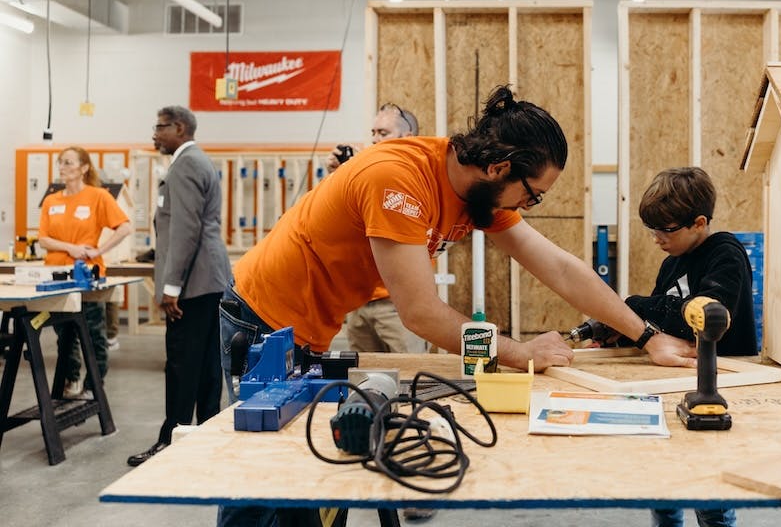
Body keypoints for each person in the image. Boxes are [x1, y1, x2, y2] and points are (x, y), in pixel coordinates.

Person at [217, 85, 696, 527]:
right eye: (532, 196)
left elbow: (560, 269)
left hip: (311, 327)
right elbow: (421, 314)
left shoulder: (477, 193)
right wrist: (518, 353)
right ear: (498, 167)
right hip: (261, 319)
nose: (528, 207)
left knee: (307, 479)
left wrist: (647, 337)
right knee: (261, 480)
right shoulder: (398, 179)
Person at [634, 167, 756, 527]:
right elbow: (659, 320)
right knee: (667, 479)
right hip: (676, 382)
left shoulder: (725, 253)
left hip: (724, 382)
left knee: (709, 488)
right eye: (652, 228)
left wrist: (636, 307)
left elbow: (710, 314)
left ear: (699, 222)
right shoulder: (671, 263)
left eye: (665, 228)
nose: (656, 237)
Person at [127, 106, 232, 467]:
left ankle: (171, 440)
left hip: (192, 283)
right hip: (208, 280)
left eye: (160, 127)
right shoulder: (197, 162)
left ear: (180, 128)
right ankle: (205, 436)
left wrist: (171, 287)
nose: (154, 134)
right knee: (205, 365)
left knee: (183, 364)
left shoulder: (186, 164)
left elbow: (186, 230)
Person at [333, 103, 429, 356]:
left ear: (407, 138)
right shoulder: (363, 175)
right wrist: (338, 175)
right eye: (373, 133)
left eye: (383, 133)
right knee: (362, 381)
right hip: (359, 302)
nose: (375, 140)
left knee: (414, 379)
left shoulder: (418, 178)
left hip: (397, 305)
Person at [38, 146, 133, 398]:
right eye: (60, 162)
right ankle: (72, 380)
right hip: (57, 276)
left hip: (87, 277)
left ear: (84, 168)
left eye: (69, 163)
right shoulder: (51, 200)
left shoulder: (98, 196)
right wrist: (72, 247)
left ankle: (94, 385)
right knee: (64, 334)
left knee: (93, 333)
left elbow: (124, 227)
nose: (62, 167)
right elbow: (44, 240)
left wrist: (98, 249)